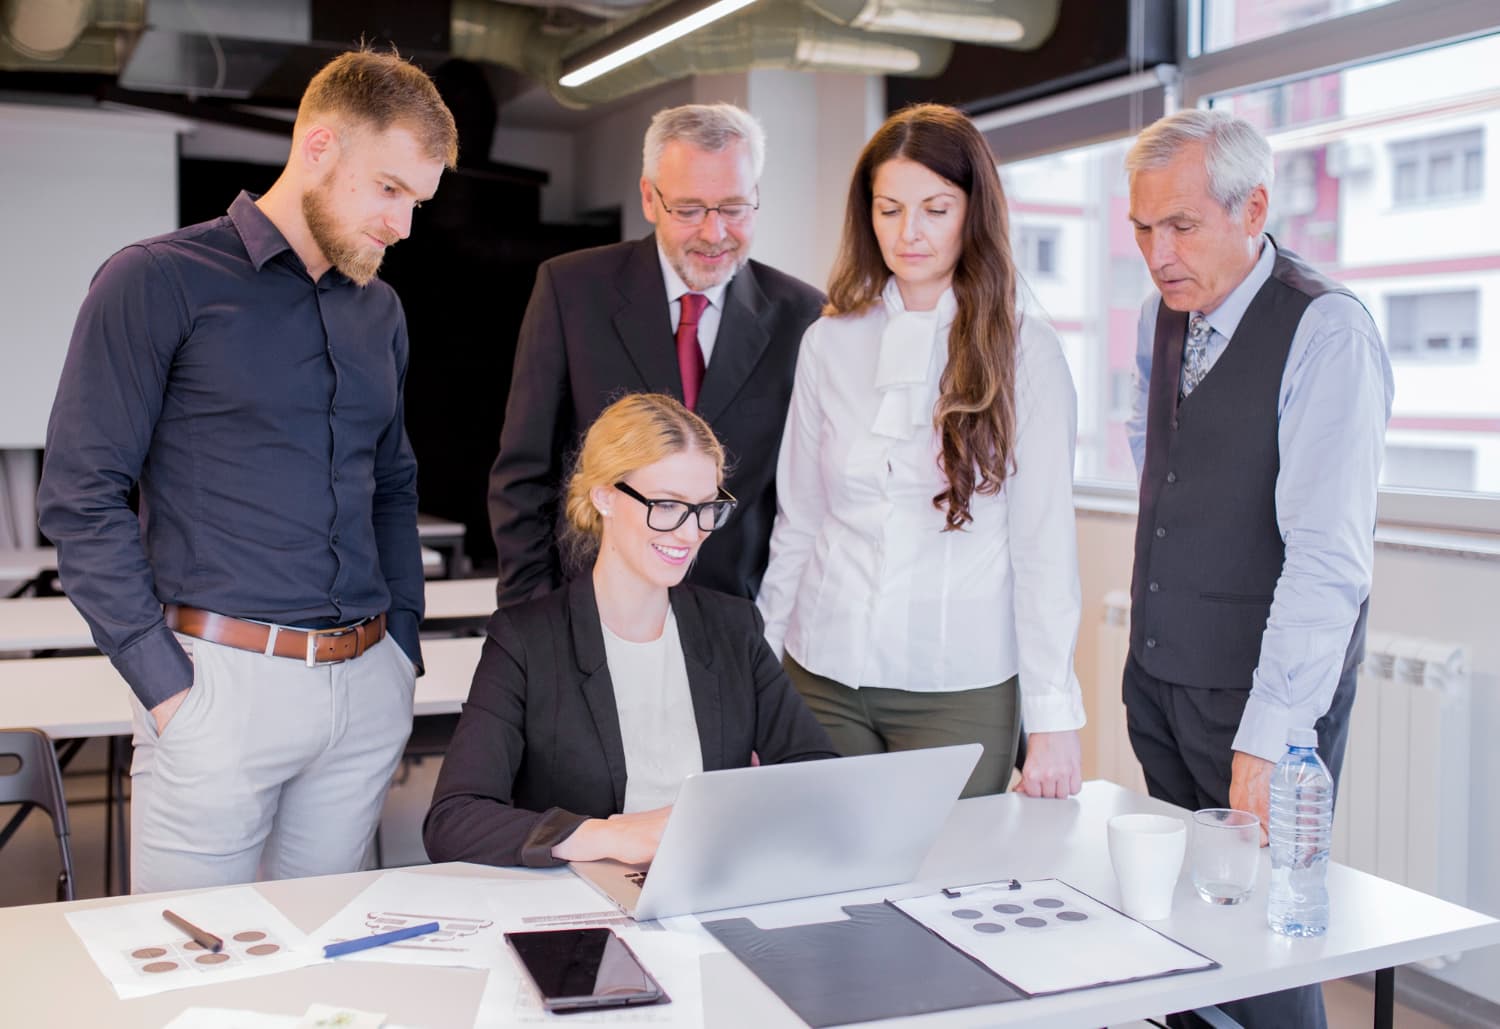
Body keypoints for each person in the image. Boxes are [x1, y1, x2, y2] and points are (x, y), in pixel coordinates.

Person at [36, 48, 458, 893]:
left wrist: (400, 649)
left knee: (318, 967)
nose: (402, 225)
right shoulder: (155, 280)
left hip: (364, 685)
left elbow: (392, 483)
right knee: (192, 972)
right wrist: (166, 689)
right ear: (317, 146)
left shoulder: (380, 308)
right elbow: (81, 498)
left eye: (417, 201)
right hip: (218, 686)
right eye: (388, 189)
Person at [1122, 109, 1393, 1029]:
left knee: (1266, 956)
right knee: (1185, 949)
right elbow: (1165, 468)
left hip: (1260, 702)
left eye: (1181, 225)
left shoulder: (1326, 331)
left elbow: (1327, 559)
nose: (1158, 253)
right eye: (1141, 228)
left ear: (1255, 208)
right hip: (1163, 681)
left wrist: (1269, 734)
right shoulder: (1166, 317)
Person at [757, 104, 1086, 800]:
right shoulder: (829, 341)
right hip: (821, 671)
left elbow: (1043, 547)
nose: (910, 232)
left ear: (973, 212)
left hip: (957, 686)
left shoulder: (1027, 350)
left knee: (950, 887)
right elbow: (800, 522)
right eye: (889, 209)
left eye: (936, 208)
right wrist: (761, 665)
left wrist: (1055, 716)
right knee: (821, 876)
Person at [425, 394, 836, 867]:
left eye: (706, 508)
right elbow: (453, 819)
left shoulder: (733, 627)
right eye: (666, 505)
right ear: (605, 496)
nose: (690, 533)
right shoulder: (526, 640)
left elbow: (815, 773)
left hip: (708, 889)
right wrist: (604, 837)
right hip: (578, 908)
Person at [487, 103, 823, 607]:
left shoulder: (804, 316)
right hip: (590, 616)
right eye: (688, 210)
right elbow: (523, 478)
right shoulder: (571, 290)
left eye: (733, 208)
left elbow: (800, 502)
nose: (714, 234)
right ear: (649, 198)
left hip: (732, 625)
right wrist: (533, 622)